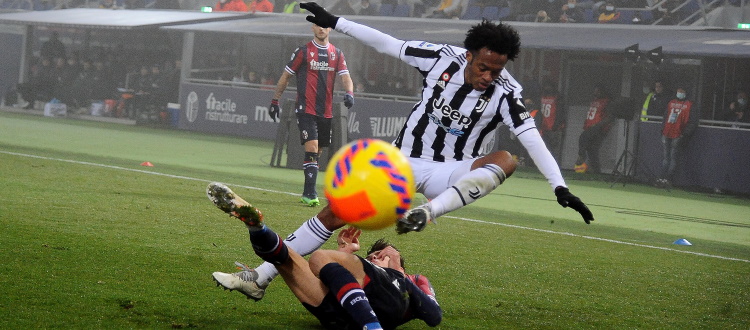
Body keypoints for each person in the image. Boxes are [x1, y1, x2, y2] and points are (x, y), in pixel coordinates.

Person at [224, 2, 593, 301]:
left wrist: (559, 186)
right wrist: (336, 21)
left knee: (507, 160)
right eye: (483, 67)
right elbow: (386, 42)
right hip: (402, 163)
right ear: (469, 56)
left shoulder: (506, 93)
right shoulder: (440, 58)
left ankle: (426, 212)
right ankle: (259, 277)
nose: (488, 77)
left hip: (453, 173)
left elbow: (531, 137)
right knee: (335, 214)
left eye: (496, 70)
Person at [207, 182, 442, 329]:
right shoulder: (369, 273)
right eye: (373, 256)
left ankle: (260, 275)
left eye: (381, 254)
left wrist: (405, 284)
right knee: (286, 258)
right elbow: (341, 281)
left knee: (318, 258)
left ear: (400, 261)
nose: (376, 256)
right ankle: (256, 227)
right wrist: (344, 255)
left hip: (383, 305)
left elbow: (434, 316)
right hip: (340, 316)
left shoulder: (410, 280)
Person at [268, 22, 355, 207]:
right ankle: (309, 193)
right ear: (312, 28)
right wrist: (275, 100)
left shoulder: (337, 53)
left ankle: (309, 189)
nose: (321, 29)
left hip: (326, 111)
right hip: (306, 109)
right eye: (318, 26)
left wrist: (350, 93)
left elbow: (346, 76)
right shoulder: (303, 52)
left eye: (325, 26)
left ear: (330, 29)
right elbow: (286, 76)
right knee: (313, 147)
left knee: (319, 151)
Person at [657, 86, 697, 187]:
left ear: (685, 92)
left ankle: (668, 179)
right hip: (667, 133)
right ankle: (662, 177)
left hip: (678, 134)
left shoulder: (689, 105)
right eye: (678, 91)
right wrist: (662, 130)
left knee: (672, 157)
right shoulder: (671, 103)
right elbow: (665, 117)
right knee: (666, 157)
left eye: (682, 91)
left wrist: (684, 134)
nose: (679, 92)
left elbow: (693, 122)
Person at [575, 85, 613, 174]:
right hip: (590, 126)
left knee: (583, 137)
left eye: (598, 91)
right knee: (592, 151)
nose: (595, 93)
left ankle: (581, 155)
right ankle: (596, 172)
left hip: (598, 128)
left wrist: (599, 126)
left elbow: (609, 117)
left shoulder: (607, 102)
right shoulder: (594, 101)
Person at [536, 83, 566, 162]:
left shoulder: (557, 98)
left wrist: (557, 125)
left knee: (554, 150)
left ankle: (554, 168)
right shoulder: (542, 97)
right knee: (544, 148)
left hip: (554, 128)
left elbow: (560, 112)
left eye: (548, 86)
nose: (547, 88)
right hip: (544, 127)